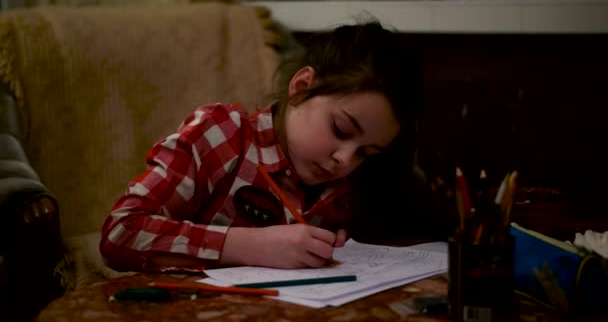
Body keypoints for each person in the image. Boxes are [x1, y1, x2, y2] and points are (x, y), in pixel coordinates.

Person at [99, 20, 423, 273]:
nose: (345, 160)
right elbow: (121, 232)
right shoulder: (223, 136)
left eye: (366, 153)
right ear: (301, 87)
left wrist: (336, 245)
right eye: (340, 129)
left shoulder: (345, 188)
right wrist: (248, 246)